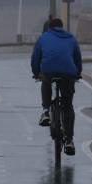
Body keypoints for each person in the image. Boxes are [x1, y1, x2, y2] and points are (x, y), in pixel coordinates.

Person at [30, 17, 83, 156]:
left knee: (45, 81)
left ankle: (46, 111)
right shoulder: (71, 38)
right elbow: (78, 59)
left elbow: (35, 58)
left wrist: (36, 73)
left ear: (50, 28)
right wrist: (76, 74)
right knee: (67, 106)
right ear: (62, 27)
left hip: (49, 71)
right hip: (68, 73)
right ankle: (70, 141)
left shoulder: (43, 38)